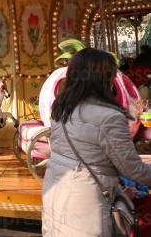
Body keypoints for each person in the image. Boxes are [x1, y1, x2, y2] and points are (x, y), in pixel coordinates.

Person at [42, 48, 151, 236]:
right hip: (86, 202)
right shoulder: (109, 117)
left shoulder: (61, 108)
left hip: (55, 193)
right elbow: (132, 168)